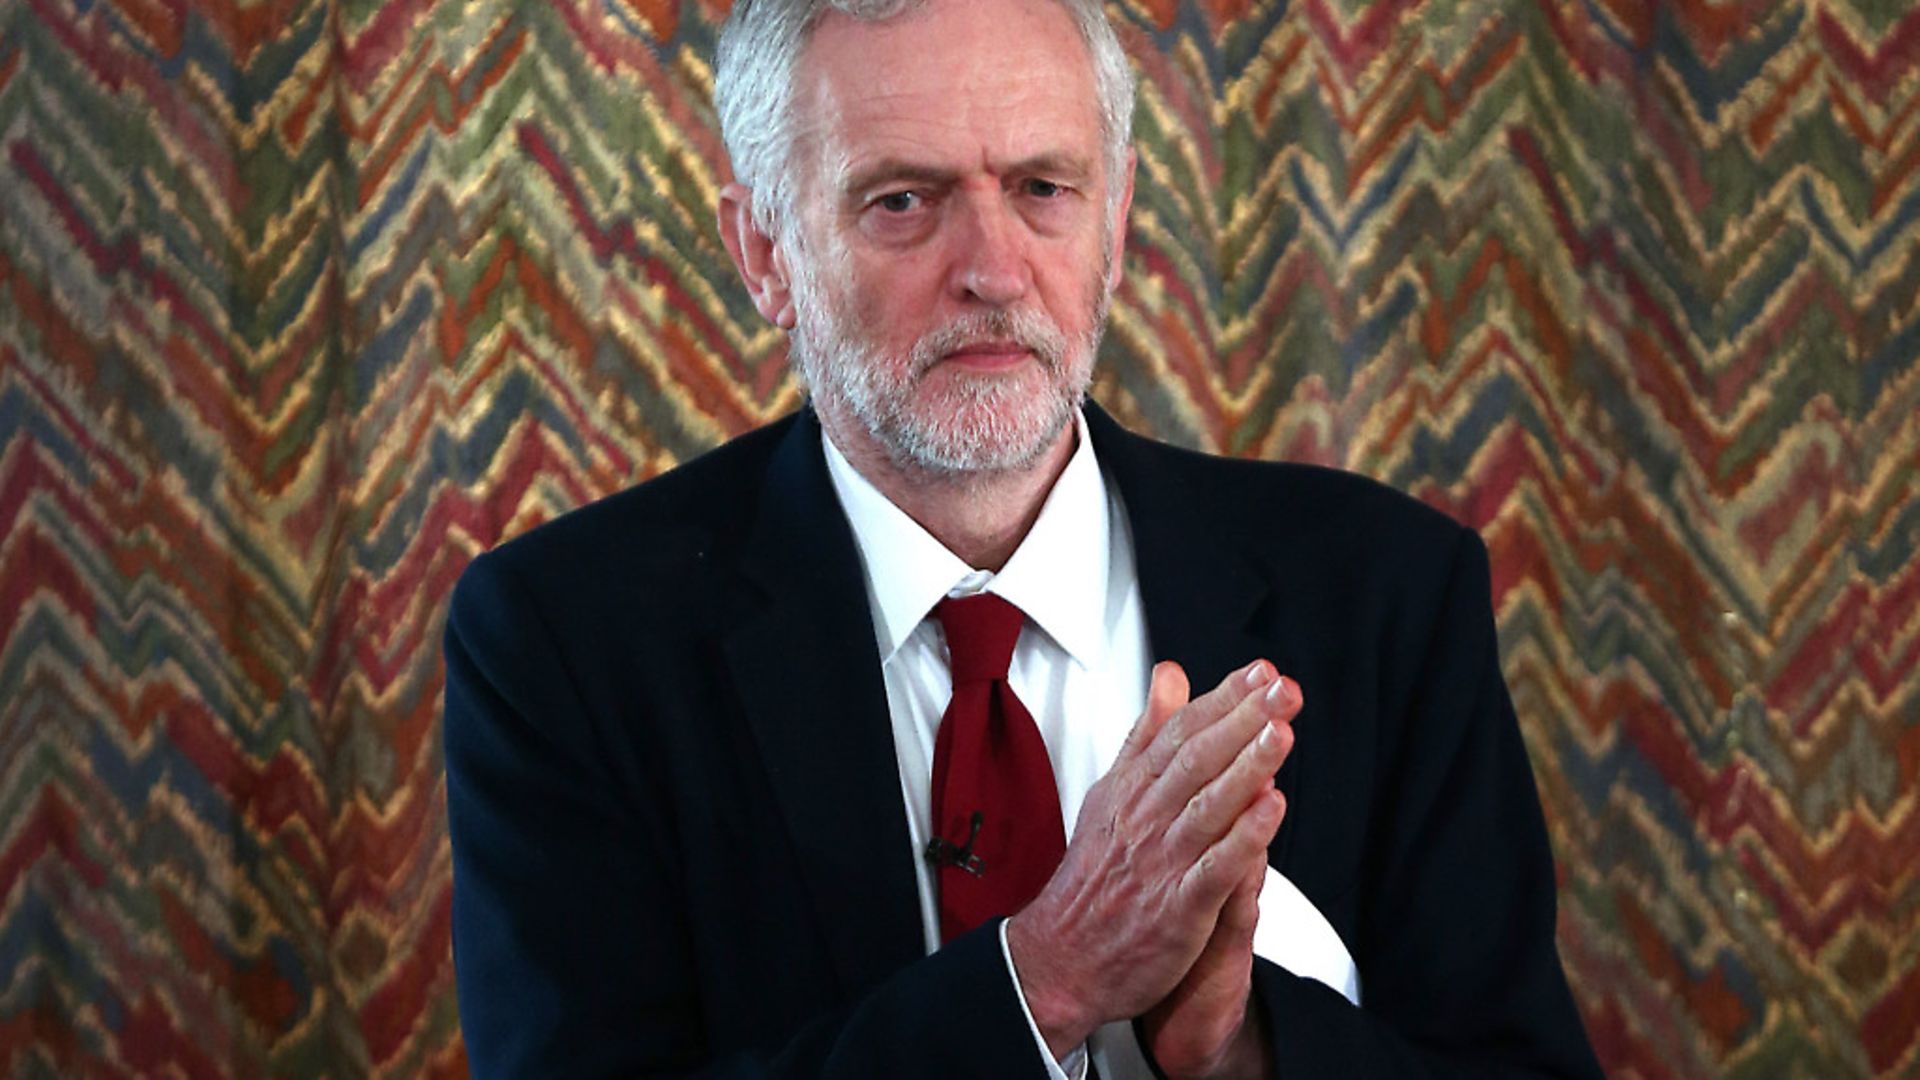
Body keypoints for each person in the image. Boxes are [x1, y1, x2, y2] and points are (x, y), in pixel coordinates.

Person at [442, 0, 1604, 1076]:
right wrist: (1044, 977)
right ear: (764, 253)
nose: (993, 273)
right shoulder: (563, 641)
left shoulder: (1388, 593)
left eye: (1044, 188)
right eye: (903, 200)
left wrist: (1243, 1043)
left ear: (1119, 214)